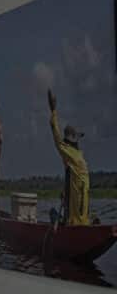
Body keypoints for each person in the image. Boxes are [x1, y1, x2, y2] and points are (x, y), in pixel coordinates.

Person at [47, 89, 90, 225]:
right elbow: (73, 180)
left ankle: (66, 224)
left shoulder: (70, 153)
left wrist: (53, 111)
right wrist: (65, 192)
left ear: (68, 142)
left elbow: (57, 139)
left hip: (75, 221)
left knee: (52, 213)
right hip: (84, 218)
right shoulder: (79, 156)